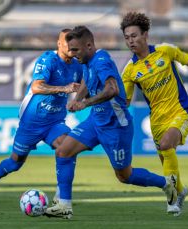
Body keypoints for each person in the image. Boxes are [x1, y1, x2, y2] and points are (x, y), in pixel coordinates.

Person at [45, 25, 178, 219]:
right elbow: (86, 80)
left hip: (116, 127)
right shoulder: (86, 60)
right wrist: (77, 98)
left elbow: (113, 89)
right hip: (95, 122)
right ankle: (64, 205)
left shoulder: (101, 61)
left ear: (89, 45)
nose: (72, 54)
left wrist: (86, 103)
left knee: (125, 176)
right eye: (70, 49)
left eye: (75, 50)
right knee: (63, 151)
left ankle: (166, 183)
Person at [119, 12, 188, 216]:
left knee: (167, 144)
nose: (130, 41)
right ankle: (180, 191)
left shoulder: (165, 51)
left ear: (145, 35)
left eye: (134, 36)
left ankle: (171, 201)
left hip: (180, 112)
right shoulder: (130, 70)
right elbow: (124, 101)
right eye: (126, 37)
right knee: (166, 154)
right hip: (157, 122)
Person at [0, 28, 82, 202]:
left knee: (66, 148)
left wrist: (81, 100)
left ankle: (61, 196)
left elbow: (82, 88)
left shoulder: (77, 66)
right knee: (15, 162)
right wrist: (63, 88)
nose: (71, 46)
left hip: (55, 122)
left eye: (74, 43)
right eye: (67, 42)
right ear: (59, 44)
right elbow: (37, 87)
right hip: (31, 123)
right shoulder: (48, 59)